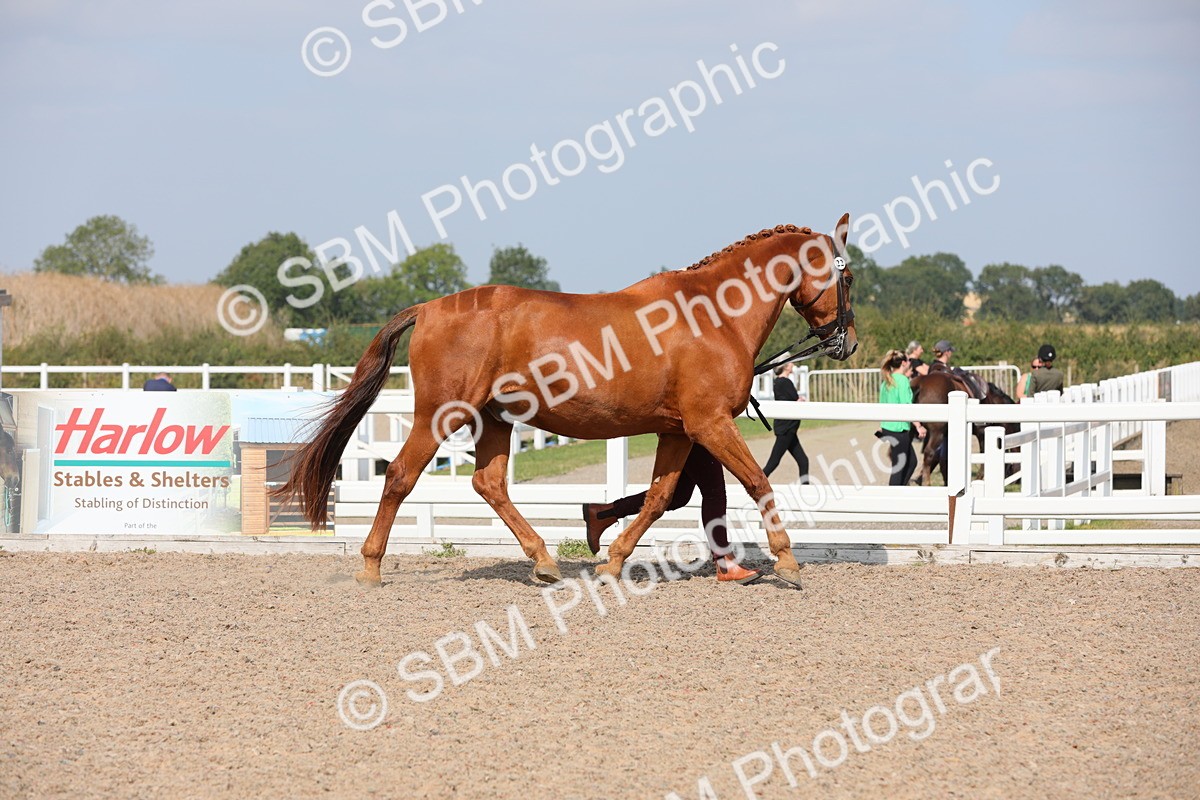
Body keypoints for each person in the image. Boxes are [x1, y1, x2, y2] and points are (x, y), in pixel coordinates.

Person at [582, 445, 764, 584]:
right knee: (713, 492)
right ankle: (724, 563)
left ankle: (602, 514)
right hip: (692, 422)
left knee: (678, 496)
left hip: (684, 423)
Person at [878, 350, 926, 486]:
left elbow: (882, 404)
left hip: (888, 428)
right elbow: (907, 405)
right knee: (899, 467)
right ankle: (893, 497)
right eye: (908, 361)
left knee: (911, 462)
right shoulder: (903, 380)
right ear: (904, 363)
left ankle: (901, 490)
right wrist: (918, 425)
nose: (910, 363)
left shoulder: (886, 381)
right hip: (899, 430)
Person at [762, 362, 809, 481]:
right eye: (791, 363)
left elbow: (788, 400)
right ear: (786, 366)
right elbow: (793, 400)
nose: (793, 364)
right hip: (786, 429)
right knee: (772, 463)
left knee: (803, 461)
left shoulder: (778, 382)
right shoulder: (785, 382)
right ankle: (756, 486)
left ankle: (806, 490)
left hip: (789, 429)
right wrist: (800, 401)